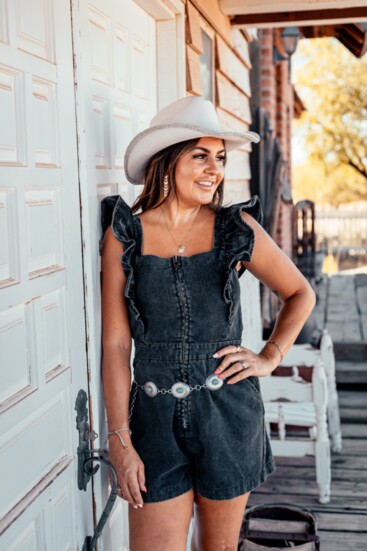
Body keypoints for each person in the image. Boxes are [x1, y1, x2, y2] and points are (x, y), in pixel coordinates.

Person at [100, 96, 315, 551]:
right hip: (153, 419)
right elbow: (116, 346)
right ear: (167, 160)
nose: (214, 169)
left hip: (229, 416)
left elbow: (300, 293)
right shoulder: (125, 235)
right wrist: (118, 438)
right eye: (200, 155)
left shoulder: (234, 230)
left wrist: (269, 357)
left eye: (219, 158)